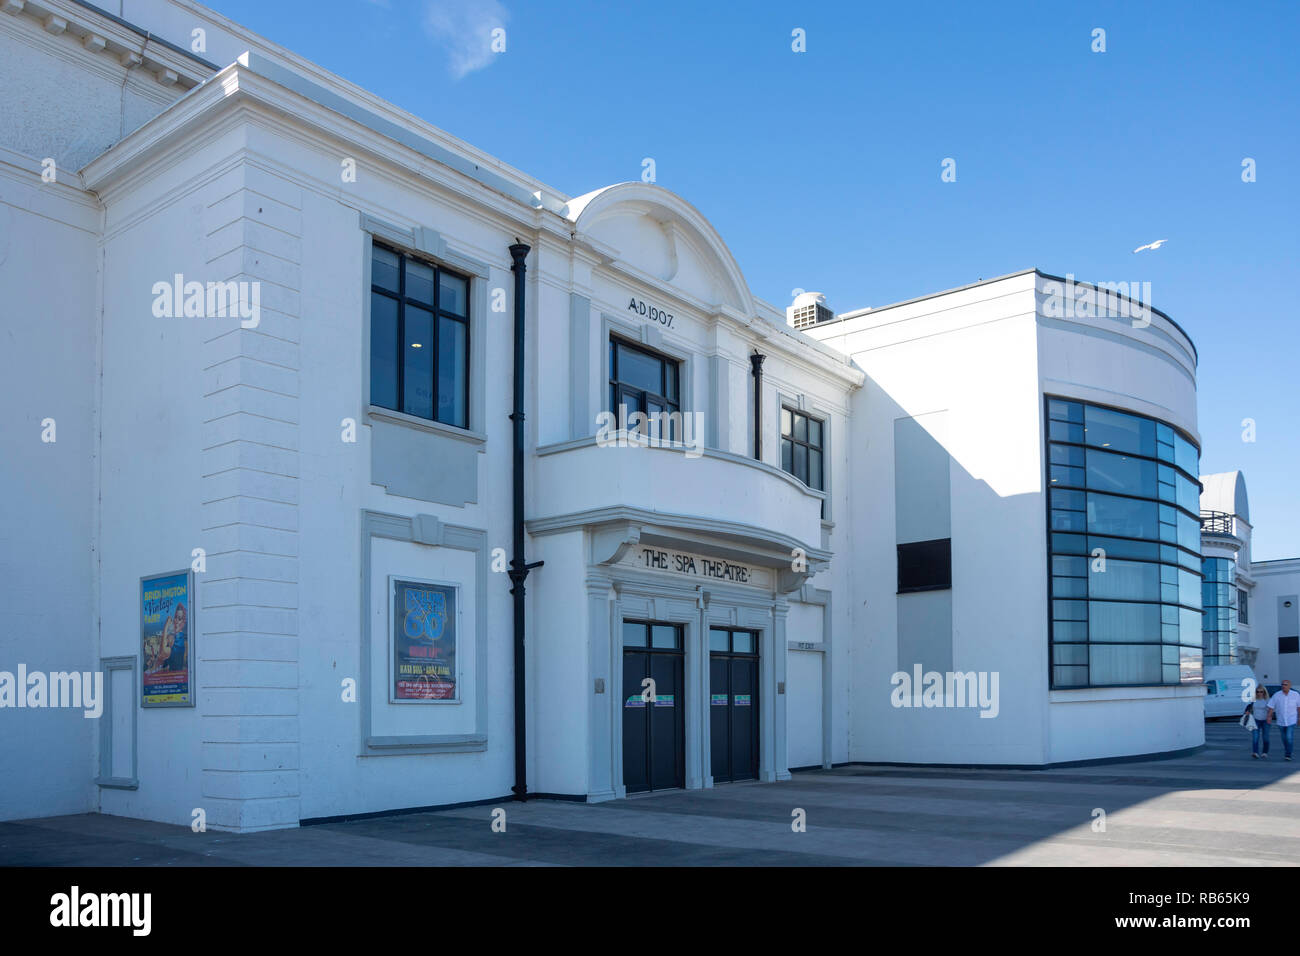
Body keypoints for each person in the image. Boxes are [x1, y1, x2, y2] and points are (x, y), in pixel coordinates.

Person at [1266, 679, 1300, 761]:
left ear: (1289, 686)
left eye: (1285, 684)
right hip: (1280, 721)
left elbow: (1299, 708)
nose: (1283, 686)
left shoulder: (1295, 695)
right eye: (1282, 684)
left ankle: (1288, 754)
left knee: (1289, 737)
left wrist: (1299, 718)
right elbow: (1271, 707)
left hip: (1291, 720)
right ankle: (1287, 749)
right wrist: (1269, 717)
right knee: (1284, 738)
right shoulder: (1277, 695)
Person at [1244, 685, 1271, 758]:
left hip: (1265, 720)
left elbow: (1271, 710)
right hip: (1256, 720)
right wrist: (1248, 712)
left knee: (1265, 737)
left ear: (1264, 692)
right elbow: (1249, 708)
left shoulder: (1267, 700)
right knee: (1255, 737)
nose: (1259, 693)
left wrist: (1269, 716)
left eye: (1261, 691)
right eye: (1257, 691)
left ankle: (1265, 752)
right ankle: (1255, 752)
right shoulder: (1253, 700)